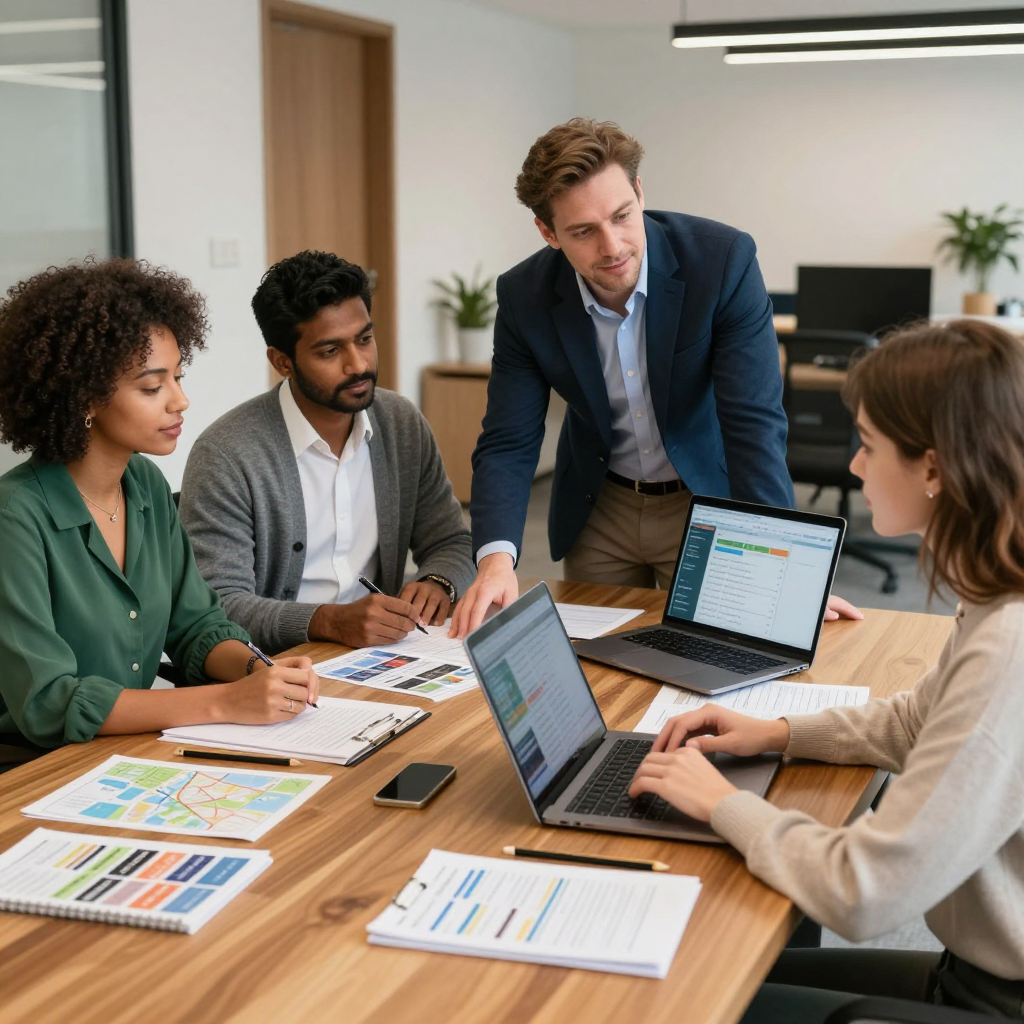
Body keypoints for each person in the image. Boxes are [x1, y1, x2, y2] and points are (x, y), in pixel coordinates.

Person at [628, 319, 1024, 1021]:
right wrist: (774, 733)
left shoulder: (1010, 646)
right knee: (728, 956)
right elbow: (915, 720)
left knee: (676, 1001)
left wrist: (721, 802)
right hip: (975, 968)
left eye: (868, 446)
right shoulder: (996, 594)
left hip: (997, 999)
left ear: (933, 467)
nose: (853, 467)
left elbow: (863, 889)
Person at [451, 118, 857, 637]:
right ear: (548, 232)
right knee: (599, 669)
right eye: (583, 231)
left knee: (713, 658)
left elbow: (753, 424)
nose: (613, 245)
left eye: (622, 215)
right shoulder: (525, 296)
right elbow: (509, 439)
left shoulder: (721, 261)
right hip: (601, 509)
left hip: (705, 502)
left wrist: (786, 564)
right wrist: (495, 559)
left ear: (640, 193)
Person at [0, 259, 319, 758]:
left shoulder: (144, 484)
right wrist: (226, 702)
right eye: (152, 387)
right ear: (84, 397)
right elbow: (50, 703)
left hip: (128, 750)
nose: (180, 401)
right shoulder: (16, 517)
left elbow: (197, 627)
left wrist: (259, 670)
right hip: (32, 768)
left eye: (177, 376)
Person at [178, 251, 475, 653]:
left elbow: (450, 541)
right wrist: (327, 621)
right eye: (330, 351)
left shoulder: (400, 423)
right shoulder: (228, 454)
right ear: (282, 362)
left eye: (365, 339)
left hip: (380, 656)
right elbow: (217, 606)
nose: (358, 365)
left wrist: (439, 580)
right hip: (274, 670)